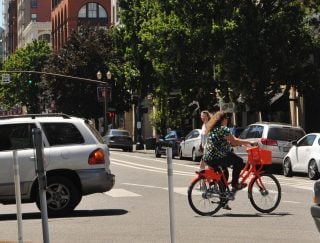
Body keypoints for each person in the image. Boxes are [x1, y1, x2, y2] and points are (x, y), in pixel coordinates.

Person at [202, 111, 256, 192]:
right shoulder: (223, 129)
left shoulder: (213, 129)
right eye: (227, 119)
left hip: (207, 158)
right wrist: (249, 142)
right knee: (239, 161)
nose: (227, 120)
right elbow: (234, 141)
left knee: (224, 173)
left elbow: (226, 141)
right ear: (223, 120)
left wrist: (237, 143)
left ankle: (223, 199)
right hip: (218, 156)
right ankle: (235, 184)